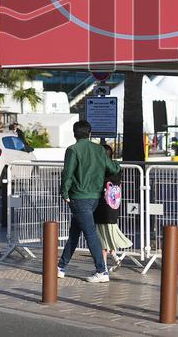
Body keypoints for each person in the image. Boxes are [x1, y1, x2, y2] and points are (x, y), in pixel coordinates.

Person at [58, 120, 120, 283]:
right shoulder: (99, 150)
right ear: (90, 133)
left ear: (74, 134)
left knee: (90, 234)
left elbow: (67, 173)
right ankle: (61, 267)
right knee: (74, 232)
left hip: (79, 197)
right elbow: (113, 168)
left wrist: (64, 192)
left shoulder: (73, 150)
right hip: (95, 197)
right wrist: (117, 165)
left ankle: (102, 271)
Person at [93, 145, 132, 271]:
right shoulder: (116, 169)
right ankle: (115, 257)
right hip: (113, 209)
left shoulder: (101, 171)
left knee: (102, 241)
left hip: (102, 211)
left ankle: (102, 268)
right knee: (109, 236)